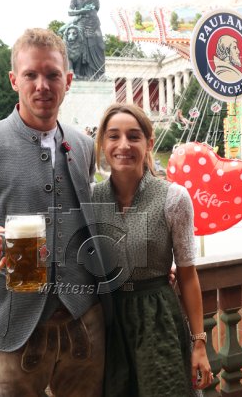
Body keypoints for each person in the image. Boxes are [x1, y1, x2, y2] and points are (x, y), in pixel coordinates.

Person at [0, 28, 108, 397]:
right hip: (12, 332)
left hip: (83, 326)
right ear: (14, 80)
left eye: (52, 74)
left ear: (68, 80)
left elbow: (91, 224)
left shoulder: (83, 144)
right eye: (31, 74)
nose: (42, 85)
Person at [93, 103, 213, 396]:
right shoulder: (90, 198)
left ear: (149, 142)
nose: (124, 145)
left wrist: (199, 343)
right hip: (107, 322)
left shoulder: (173, 198)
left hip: (157, 320)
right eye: (114, 136)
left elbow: (187, 275)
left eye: (133, 136)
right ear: (102, 144)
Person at [64, 0, 108, 80]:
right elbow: (69, 11)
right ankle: (83, 74)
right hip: (82, 26)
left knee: (99, 46)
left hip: (94, 24)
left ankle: (100, 74)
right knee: (83, 50)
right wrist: (82, 11)